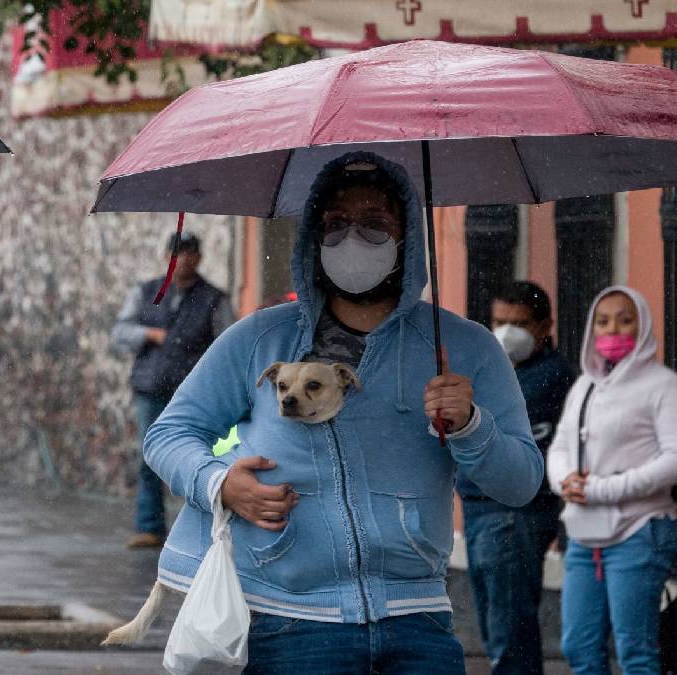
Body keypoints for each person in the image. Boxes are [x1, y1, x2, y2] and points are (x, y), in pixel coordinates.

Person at [144, 152, 542, 672]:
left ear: (408, 238)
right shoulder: (259, 339)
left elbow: (521, 483)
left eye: (375, 223)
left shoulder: (466, 348)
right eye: (335, 224)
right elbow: (169, 434)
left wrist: (470, 426)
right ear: (313, 236)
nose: (353, 238)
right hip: (288, 625)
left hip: (417, 624)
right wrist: (218, 483)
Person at [547, 286, 677, 674]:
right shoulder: (585, 385)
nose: (613, 329)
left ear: (643, 324)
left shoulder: (662, 385)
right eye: (603, 321)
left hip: (638, 532)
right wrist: (565, 481)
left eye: (625, 319)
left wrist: (603, 489)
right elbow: (560, 447)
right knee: (579, 648)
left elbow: (673, 459)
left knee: (635, 651)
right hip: (585, 537)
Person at [459, 281, 575, 674]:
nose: (506, 332)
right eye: (499, 321)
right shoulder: (493, 370)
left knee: (509, 625)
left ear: (545, 327)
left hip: (514, 511)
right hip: (480, 508)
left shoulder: (549, 377)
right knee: (497, 618)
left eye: (519, 323)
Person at [112, 231, 234, 548]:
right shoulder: (146, 292)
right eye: (179, 253)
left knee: (196, 458)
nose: (184, 260)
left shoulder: (213, 298)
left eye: (191, 254)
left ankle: (194, 530)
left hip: (193, 392)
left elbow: (227, 342)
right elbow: (120, 332)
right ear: (167, 256)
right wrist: (150, 334)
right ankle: (149, 526)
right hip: (151, 386)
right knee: (149, 457)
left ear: (199, 258)